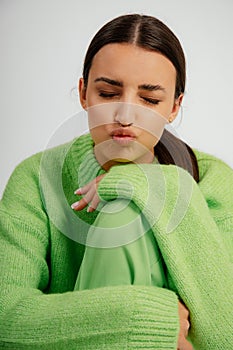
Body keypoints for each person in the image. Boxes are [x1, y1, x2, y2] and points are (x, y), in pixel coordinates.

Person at [0, 13, 233, 350]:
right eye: (108, 94)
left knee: (125, 211)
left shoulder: (213, 181)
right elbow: (6, 320)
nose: (125, 116)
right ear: (83, 94)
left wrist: (146, 184)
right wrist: (152, 319)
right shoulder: (36, 179)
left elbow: (224, 330)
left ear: (174, 106)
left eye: (150, 100)